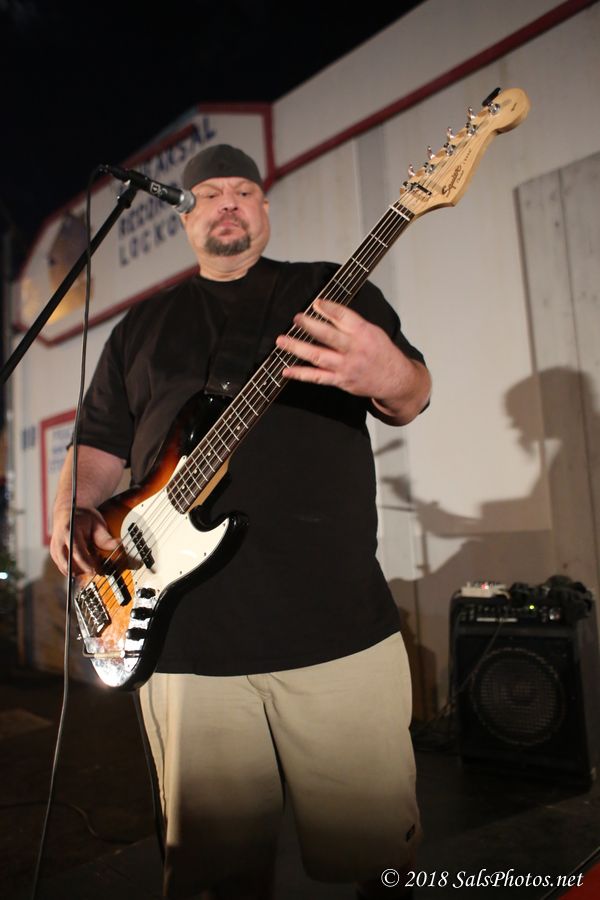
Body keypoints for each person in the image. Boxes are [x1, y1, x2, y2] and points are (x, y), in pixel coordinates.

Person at [50, 144, 431, 900]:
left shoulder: (328, 290)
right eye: (210, 191)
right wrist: (71, 507)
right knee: (219, 875)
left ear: (264, 208)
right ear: (183, 215)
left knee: (378, 860)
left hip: (334, 628)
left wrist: (386, 373)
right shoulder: (140, 326)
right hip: (181, 641)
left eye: (245, 190)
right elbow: (97, 443)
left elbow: (411, 395)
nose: (228, 201)